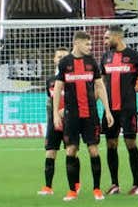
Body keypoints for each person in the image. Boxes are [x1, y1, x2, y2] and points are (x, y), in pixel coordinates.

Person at [52, 30, 115, 201]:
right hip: (71, 115)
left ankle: (96, 189)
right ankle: (72, 190)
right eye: (87, 44)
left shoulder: (91, 62)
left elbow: (100, 87)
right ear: (77, 43)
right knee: (71, 150)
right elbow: (58, 88)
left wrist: (107, 111)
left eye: (90, 44)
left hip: (90, 115)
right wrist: (55, 114)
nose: (90, 47)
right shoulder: (65, 63)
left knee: (93, 150)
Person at [103, 25, 138, 196]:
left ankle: (136, 185)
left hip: (128, 109)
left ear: (118, 37)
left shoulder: (133, 56)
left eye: (108, 38)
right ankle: (114, 184)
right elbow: (101, 82)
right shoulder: (106, 57)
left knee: (131, 144)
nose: (105, 40)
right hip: (110, 111)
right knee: (110, 144)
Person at [39, 47, 71, 195]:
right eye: (59, 56)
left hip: (70, 121)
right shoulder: (50, 80)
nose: (61, 59)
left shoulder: (72, 78)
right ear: (54, 59)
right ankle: (48, 187)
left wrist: (66, 111)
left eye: (64, 56)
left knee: (71, 153)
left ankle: (74, 186)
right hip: (53, 122)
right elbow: (50, 101)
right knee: (50, 153)